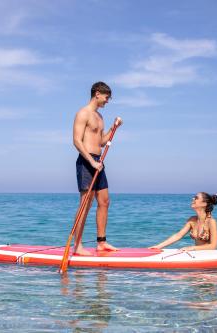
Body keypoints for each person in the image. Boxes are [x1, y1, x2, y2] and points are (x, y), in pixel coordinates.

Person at [72, 81, 122, 255]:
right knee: (85, 205)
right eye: (106, 97)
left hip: (98, 161)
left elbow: (101, 141)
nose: (107, 101)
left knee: (104, 201)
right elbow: (77, 141)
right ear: (97, 94)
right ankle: (77, 246)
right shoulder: (83, 113)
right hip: (87, 162)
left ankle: (101, 242)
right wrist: (92, 162)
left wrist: (113, 128)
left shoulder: (99, 117)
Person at [150, 193, 217, 251]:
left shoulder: (211, 222)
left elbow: (213, 246)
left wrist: (192, 248)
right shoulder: (192, 220)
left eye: (196, 198)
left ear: (204, 204)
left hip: (208, 258)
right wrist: (158, 246)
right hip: (197, 255)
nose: (193, 199)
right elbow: (178, 235)